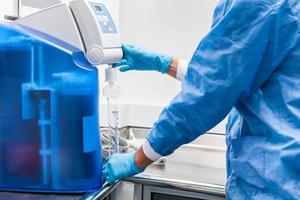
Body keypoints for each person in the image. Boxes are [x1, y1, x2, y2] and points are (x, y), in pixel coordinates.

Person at [103, 0, 300, 199]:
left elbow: (211, 90)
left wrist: (138, 159)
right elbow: (229, 75)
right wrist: (163, 63)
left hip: (280, 179)